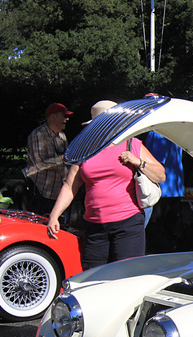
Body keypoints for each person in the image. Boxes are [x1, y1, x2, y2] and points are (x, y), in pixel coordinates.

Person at [46, 100, 166, 269]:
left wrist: (138, 162)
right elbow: (70, 185)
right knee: (93, 279)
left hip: (128, 224)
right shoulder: (84, 149)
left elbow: (160, 175)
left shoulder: (132, 144)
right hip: (94, 227)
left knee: (125, 278)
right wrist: (54, 215)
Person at [25, 102, 72, 216]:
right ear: (53, 116)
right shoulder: (38, 135)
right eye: (64, 116)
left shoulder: (62, 136)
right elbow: (39, 164)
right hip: (42, 192)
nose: (67, 119)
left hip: (59, 192)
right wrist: (63, 158)